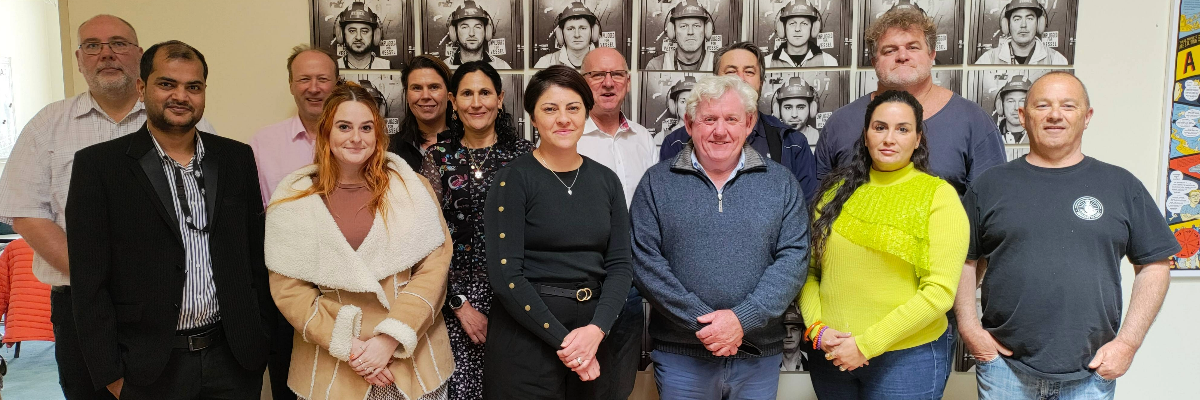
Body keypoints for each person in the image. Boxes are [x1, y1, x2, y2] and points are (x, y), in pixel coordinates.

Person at [0, 15, 215, 400]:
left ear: (138, 57)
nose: (106, 54)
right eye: (93, 46)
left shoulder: (185, 122)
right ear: (80, 59)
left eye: (118, 43)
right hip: (80, 302)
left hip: (169, 304)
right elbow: (26, 211)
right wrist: (93, 278)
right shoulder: (49, 124)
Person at [67, 40, 272, 400]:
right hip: (148, 366)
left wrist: (260, 340)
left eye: (193, 87)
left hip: (233, 361)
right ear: (142, 89)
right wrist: (112, 375)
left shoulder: (236, 158)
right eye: (167, 84)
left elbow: (255, 258)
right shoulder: (99, 167)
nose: (181, 96)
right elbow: (89, 283)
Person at [956, 73, 1178, 400]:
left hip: (1091, 371)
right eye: (1042, 105)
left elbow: (1155, 265)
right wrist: (971, 331)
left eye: (1068, 106)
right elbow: (963, 261)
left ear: (1086, 117)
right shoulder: (989, 186)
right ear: (1022, 116)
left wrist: (1128, 343)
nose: (1055, 114)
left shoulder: (1120, 185)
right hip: (1005, 370)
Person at [266, 82, 454, 400]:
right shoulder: (293, 197)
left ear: (378, 133)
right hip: (332, 364)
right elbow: (289, 290)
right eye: (344, 126)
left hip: (411, 360)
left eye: (366, 127)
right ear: (326, 131)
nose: (356, 137)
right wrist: (353, 348)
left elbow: (434, 268)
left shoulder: (411, 187)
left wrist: (389, 340)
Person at [631, 75, 809, 400]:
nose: (720, 130)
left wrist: (741, 320)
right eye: (709, 119)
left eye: (731, 119)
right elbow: (645, 263)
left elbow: (794, 260)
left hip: (758, 355)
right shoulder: (656, 183)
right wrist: (705, 324)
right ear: (688, 123)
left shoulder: (781, 183)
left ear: (749, 123)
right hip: (681, 356)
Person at [801, 90, 967, 398]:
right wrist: (818, 329)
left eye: (902, 129)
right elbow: (809, 272)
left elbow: (940, 293)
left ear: (918, 139)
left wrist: (865, 346)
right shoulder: (833, 192)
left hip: (906, 359)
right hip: (831, 355)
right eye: (880, 127)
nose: (889, 138)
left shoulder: (938, 196)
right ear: (865, 135)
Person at [482, 65, 634, 398]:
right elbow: (507, 278)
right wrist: (569, 345)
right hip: (526, 338)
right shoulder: (513, 180)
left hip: (595, 336)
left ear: (586, 113)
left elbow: (621, 267)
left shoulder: (607, 181)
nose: (563, 118)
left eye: (573, 108)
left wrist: (595, 332)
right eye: (550, 109)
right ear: (533, 119)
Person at [420, 61, 532, 400]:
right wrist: (458, 303)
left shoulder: (526, 156)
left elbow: (539, 234)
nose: (476, 102)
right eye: (467, 94)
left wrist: (518, 304)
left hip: (517, 301)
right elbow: (426, 240)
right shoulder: (437, 158)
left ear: (499, 99)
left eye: (485, 93)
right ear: (453, 102)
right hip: (454, 305)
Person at [816, 6, 1006, 196]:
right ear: (874, 62)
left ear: (932, 55)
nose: (902, 56)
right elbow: (819, 205)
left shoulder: (973, 121)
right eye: (890, 50)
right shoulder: (840, 123)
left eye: (913, 47)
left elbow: (993, 204)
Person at [248, 44, 340, 400]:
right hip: (286, 286)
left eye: (322, 79)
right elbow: (254, 217)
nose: (313, 87)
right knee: (290, 379)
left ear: (336, 83)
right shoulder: (263, 142)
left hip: (347, 286)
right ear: (290, 85)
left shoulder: (356, 137)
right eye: (304, 79)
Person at [575, 47, 654, 399]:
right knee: (577, 382)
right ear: (581, 81)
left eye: (617, 75)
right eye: (596, 75)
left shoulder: (644, 139)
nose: (608, 83)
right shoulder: (567, 137)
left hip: (632, 286)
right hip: (579, 283)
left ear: (628, 81)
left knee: (619, 385)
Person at [660, 42, 819, 202]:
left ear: (761, 82)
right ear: (715, 80)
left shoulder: (792, 143)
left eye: (749, 72)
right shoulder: (676, 143)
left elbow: (803, 214)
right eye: (731, 71)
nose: (740, 79)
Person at [390, 55, 455, 171]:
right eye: (417, 88)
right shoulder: (390, 149)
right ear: (407, 95)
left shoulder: (467, 143)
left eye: (434, 87)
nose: (425, 96)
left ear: (449, 95)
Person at [975, 0, 1068, 65]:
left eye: (1029, 18)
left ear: (1039, 24)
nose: (1023, 25)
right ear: (1007, 25)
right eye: (1017, 19)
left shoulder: (1057, 60)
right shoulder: (987, 59)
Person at [644, 0, 715, 71]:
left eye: (696, 26)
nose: (690, 32)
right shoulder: (656, 66)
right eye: (683, 26)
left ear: (706, 30)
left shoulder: (719, 64)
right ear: (673, 31)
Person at [764, 2, 838, 68]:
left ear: (813, 28)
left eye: (804, 24)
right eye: (792, 23)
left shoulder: (828, 62)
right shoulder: (766, 63)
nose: (797, 29)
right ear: (783, 28)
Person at [445, 1, 512, 69]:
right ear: (454, 32)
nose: (472, 33)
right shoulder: (444, 69)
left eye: (478, 27)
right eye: (464, 27)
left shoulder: (502, 67)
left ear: (486, 31)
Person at [534, 2, 601, 69]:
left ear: (593, 31)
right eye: (570, 29)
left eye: (583, 28)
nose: (577, 35)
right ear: (561, 33)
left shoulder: (605, 61)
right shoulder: (547, 63)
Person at [335, 0, 392, 70]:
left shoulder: (386, 67)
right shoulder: (333, 67)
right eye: (352, 31)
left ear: (375, 35)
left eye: (364, 31)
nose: (358, 37)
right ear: (341, 34)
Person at [774, 77, 821, 144]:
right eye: (788, 108)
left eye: (800, 107)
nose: (794, 115)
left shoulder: (819, 138)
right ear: (778, 109)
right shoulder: (771, 139)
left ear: (811, 108)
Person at [994, 74, 1030, 144]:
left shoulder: (1042, 137)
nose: (1016, 108)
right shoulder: (989, 137)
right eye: (1011, 101)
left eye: (1022, 101)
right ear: (1001, 105)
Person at [780, 306, 807, 372]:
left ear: (802, 332)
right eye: (783, 330)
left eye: (794, 329)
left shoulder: (814, 362)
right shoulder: (767, 364)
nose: (788, 335)